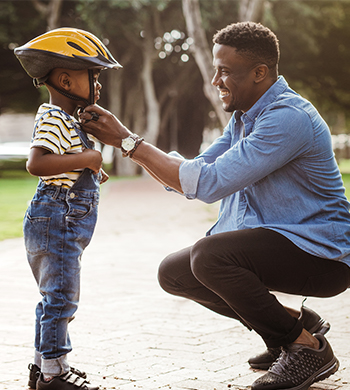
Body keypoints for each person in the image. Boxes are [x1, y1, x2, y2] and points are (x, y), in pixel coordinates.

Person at [79, 22, 350, 390]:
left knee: (210, 256)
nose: (215, 80)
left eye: (225, 71)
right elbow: (197, 171)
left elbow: (206, 185)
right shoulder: (243, 119)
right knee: (174, 272)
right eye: (215, 70)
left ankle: (305, 348)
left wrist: (128, 141)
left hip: (323, 255)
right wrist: (129, 144)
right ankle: (294, 324)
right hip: (283, 242)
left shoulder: (288, 118)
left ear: (259, 73)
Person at [14, 27, 121, 390]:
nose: (99, 84)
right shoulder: (52, 117)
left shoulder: (69, 120)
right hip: (56, 217)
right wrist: (90, 156)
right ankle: (54, 374)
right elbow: (37, 164)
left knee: (53, 299)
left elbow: (68, 163)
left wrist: (90, 165)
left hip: (61, 219)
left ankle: (41, 366)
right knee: (61, 299)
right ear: (65, 79)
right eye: (94, 75)